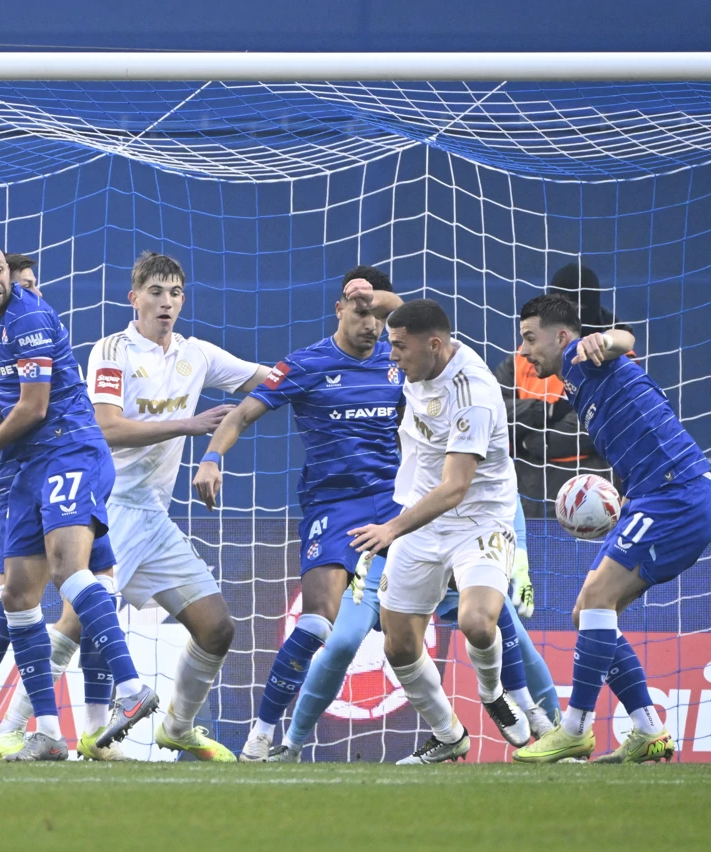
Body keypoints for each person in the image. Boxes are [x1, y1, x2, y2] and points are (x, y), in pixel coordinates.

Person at [0, 240, 156, 761]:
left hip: (68, 449)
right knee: (19, 596)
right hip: (23, 470)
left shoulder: (29, 317)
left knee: (71, 572)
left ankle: (130, 691)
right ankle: (45, 731)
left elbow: (34, 407)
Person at [193, 265, 403, 761]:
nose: (370, 323)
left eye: (378, 314)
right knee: (316, 625)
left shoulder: (401, 362)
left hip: (401, 504)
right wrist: (210, 458)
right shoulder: (307, 364)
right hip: (335, 505)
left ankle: (541, 723)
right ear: (339, 309)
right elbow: (244, 412)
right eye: (360, 310)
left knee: (479, 612)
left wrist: (380, 299)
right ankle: (261, 736)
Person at [513, 294, 711, 764]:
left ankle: (575, 727)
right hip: (657, 496)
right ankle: (648, 729)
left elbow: (622, 340)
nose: (523, 351)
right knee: (588, 612)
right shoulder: (576, 389)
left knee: (597, 597)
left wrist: (605, 339)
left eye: (529, 338)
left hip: (677, 494)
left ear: (562, 337)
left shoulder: (584, 357)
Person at [87, 251, 269, 761]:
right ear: (134, 298)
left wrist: (327, 371)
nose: (165, 302)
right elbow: (106, 428)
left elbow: (270, 381)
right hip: (110, 506)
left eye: (174, 293)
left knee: (217, 628)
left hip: (155, 516)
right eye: (155, 292)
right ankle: (24, 727)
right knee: (78, 621)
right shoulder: (112, 350)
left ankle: (178, 725)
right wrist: (192, 425)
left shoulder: (198, 355)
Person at [348, 299, 532, 765]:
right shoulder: (425, 354)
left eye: (399, 347)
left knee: (476, 621)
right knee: (399, 642)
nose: (392, 356)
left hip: (479, 518)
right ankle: (447, 733)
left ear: (434, 345)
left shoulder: (475, 395)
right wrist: (378, 299)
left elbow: (455, 488)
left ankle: (492, 693)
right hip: (422, 516)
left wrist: (390, 529)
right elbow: (408, 311)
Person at [268, 493, 558, 761]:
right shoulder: (388, 441)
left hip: (458, 554)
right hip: (387, 558)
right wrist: (349, 556)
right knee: (342, 643)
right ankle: (292, 745)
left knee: (510, 634)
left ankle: (557, 736)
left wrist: (518, 553)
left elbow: (503, 487)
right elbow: (363, 491)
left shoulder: (472, 442)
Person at [496, 263, 621, 518]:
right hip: (524, 494)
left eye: (576, 306)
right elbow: (496, 410)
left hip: (588, 496)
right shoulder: (520, 360)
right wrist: (547, 410)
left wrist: (530, 441)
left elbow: (592, 427)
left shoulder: (615, 357)